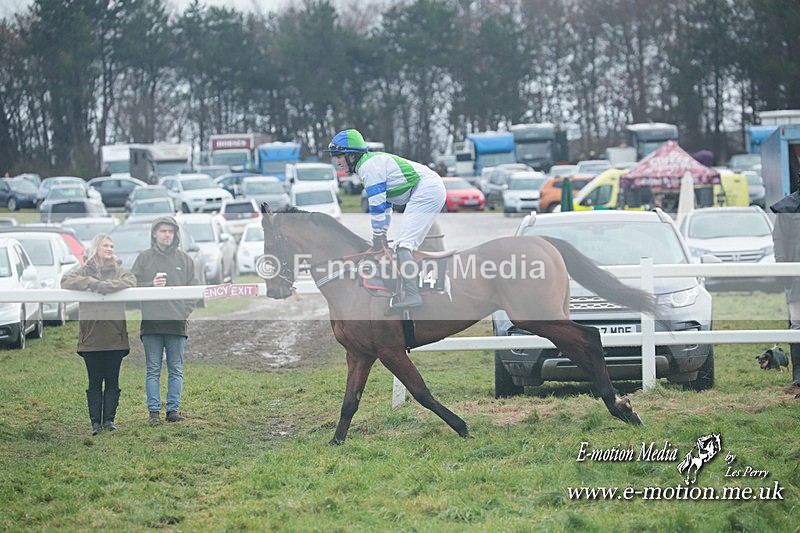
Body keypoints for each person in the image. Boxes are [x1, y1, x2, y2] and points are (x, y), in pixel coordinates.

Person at [324, 128, 446, 312]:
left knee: (404, 244)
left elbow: (377, 205)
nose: (337, 163)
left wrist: (378, 234)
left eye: (339, 157)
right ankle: (413, 288)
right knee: (404, 244)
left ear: (351, 155)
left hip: (427, 189)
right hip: (428, 188)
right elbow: (387, 205)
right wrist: (381, 233)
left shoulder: (368, 167)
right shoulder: (368, 164)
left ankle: (413, 294)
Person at [60, 233, 137, 435]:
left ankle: (109, 420)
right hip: (91, 338)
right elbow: (66, 281)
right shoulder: (83, 271)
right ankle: (95, 423)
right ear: (96, 247)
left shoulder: (120, 271)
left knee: (113, 380)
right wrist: (91, 283)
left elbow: (130, 281)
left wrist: (103, 287)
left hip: (115, 336)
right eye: (106, 245)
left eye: (112, 246)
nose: (110, 249)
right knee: (94, 381)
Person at [132, 216, 199, 424]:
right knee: (153, 368)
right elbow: (131, 286)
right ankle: (153, 412)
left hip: (177, 325)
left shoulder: (185, 260)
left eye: (170, 231)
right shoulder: (143, 258)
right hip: (151, 324)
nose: (167, 235)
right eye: (163, 231)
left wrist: (183, 312)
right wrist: (150, 285)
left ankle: (173, 411)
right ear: (154, 233)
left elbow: (195, 290)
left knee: (175, 369)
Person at [770, 143, 800, 389]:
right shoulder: (788, 208)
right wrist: (784, 273)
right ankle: (799, 378)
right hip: (797, 280)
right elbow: (780, 244)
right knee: (798, 327)